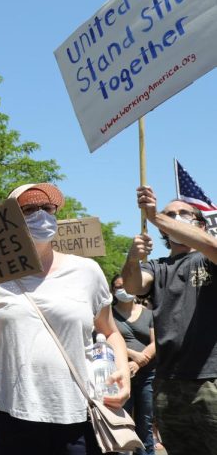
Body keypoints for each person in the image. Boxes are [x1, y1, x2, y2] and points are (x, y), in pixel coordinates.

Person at [0, 183, 130, 455]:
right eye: (29, 209)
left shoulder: (87, 271)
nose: (40, 215)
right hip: (13, 413)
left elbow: (111, 332)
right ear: (10, 221)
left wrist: (122, 370)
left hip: (77, 412)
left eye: (47, 208)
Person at [121, 186, 217, 455]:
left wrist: (157, 216)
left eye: (183, 214)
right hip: (168, 382)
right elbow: (133, 285)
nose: (175, 218)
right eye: (170, 214)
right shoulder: (157, 266)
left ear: (199, 224)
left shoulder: (208, 258)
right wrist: (132, 257)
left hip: (210, 380)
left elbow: (212, 246)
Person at [110, 274, 155, 455]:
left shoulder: (149, 314)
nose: (123, 290)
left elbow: (156, 342)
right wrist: (132, 354)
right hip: (119, 376)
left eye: (126, 285)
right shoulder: (108, 313)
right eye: (118, 287)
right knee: (122, 423)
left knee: (146, 424)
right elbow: (106, 338)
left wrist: (139, 362)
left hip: (147, 375)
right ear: (113, 290)